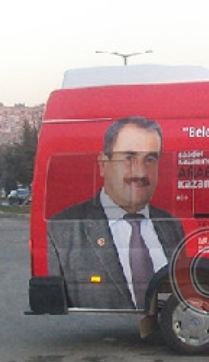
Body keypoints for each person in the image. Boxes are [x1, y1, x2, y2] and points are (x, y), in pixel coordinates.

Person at [47, 116, 185, 311]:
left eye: (150, 159)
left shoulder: (172, 225)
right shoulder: (61, 231)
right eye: (128, 158)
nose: (140, 172)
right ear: (104, 164)